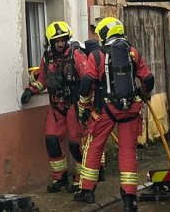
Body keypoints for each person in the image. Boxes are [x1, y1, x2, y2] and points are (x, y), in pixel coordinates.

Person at [73, 17, 155, 212]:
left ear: (104, 34)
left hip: (106, 110)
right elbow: (148, 79)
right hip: (131, 110)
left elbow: (87, 84)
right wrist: (144, 95)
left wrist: (83, 106)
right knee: (128, 151)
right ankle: (129, 198)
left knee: (94, 146)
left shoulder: (98, 55)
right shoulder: (134, 52)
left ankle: (87, 191)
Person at [20, 21, 87, 192]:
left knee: (75, 143)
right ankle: (60, 178)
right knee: (51, 140)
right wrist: (31, 89)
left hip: (74, 104)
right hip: (56, 105)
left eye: (62, 40)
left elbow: (87, 79)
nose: (60, 43)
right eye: (56, 40)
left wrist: (86, 104)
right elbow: (43, 79)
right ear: (50, 42)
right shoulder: (47, 57)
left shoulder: (76, 54)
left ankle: (81, 178)